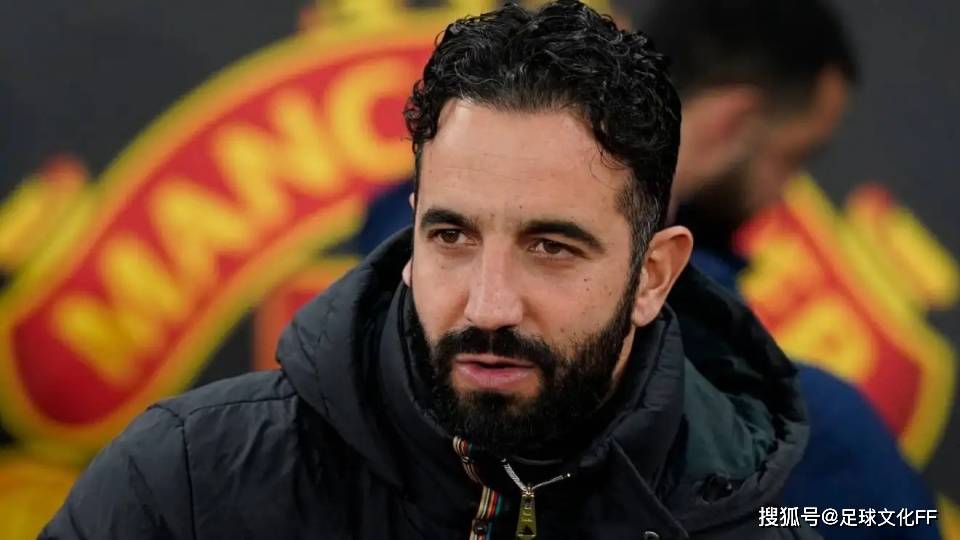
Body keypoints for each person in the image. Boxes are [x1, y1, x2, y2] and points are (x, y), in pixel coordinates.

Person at [43, 2, 818, 538]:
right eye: (451, 236)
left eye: (551, 247)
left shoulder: (764, 522)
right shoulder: (183, 483)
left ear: (653, 275)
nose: (488, 305)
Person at [634, 1, 941, 539]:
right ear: (731, 123)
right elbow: (897, 521)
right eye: (794, 156)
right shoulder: (813, 426)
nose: (784, 194)